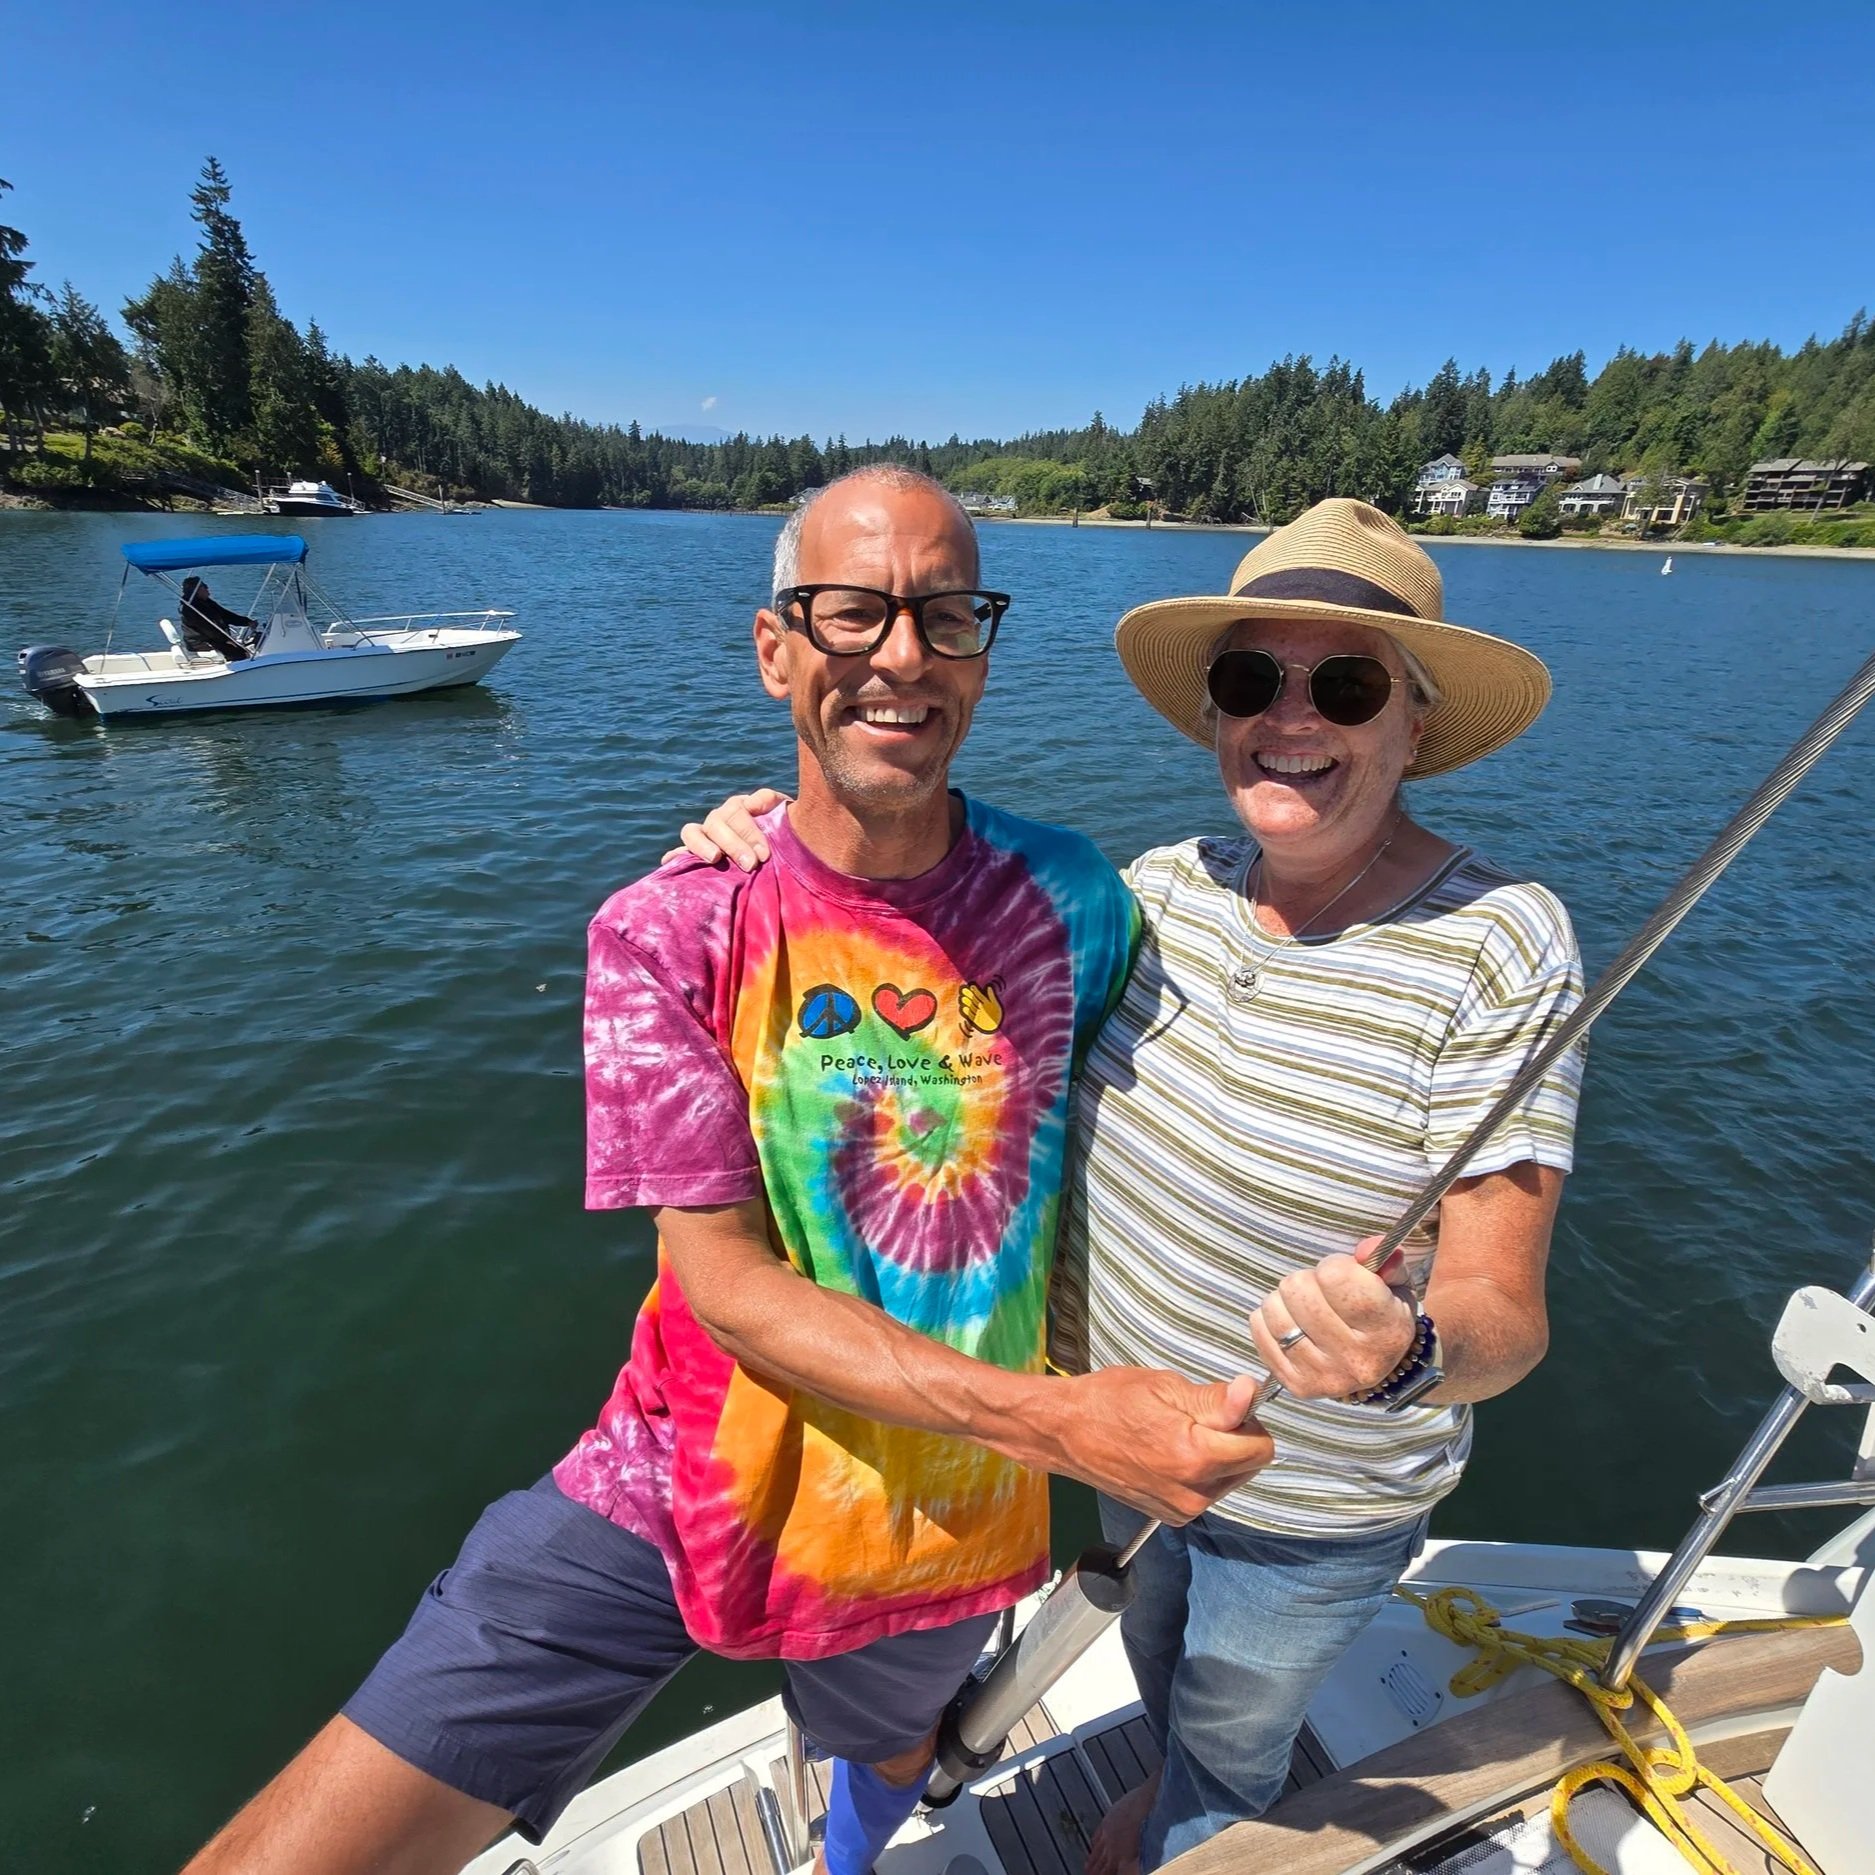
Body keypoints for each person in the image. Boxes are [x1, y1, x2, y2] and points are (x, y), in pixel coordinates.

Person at [181, 467, 1273, 1875]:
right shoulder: (672, 926)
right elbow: (724, 1280)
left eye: (946, 616)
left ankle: (846, 1855)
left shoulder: (1075, 900)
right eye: (851, 611)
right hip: (665, 1479)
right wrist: (1060, 1422)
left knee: (886, 1751)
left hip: (937, 1511)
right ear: (775, 649)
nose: (900, 654)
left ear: (982, 653)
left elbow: (1239, 1011)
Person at [675, 498, 1583, 1875]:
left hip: (1309, 1503)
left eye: (1341, 684)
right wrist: (769, 844)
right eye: (1247, 679)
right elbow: (944, 934)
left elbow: (1498, 1307)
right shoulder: (1157, 890)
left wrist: (1406, 1355)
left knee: (1227, 1745)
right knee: (1159, 1666)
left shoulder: (1498, 943)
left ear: (1412, 722)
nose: (1289, 717)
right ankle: (1159, 1785)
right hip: (1116, 1439)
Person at [179, 577, 257, 661]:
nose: (207, 588)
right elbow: (208, 629)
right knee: (241, 654)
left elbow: (226, 615)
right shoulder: (190, 609)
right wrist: (227, 640)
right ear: (196, 590)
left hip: (212, 638)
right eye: (204, 586)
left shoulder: (206, 602)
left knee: (241, 647)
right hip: (200, 643)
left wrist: (247, 621)